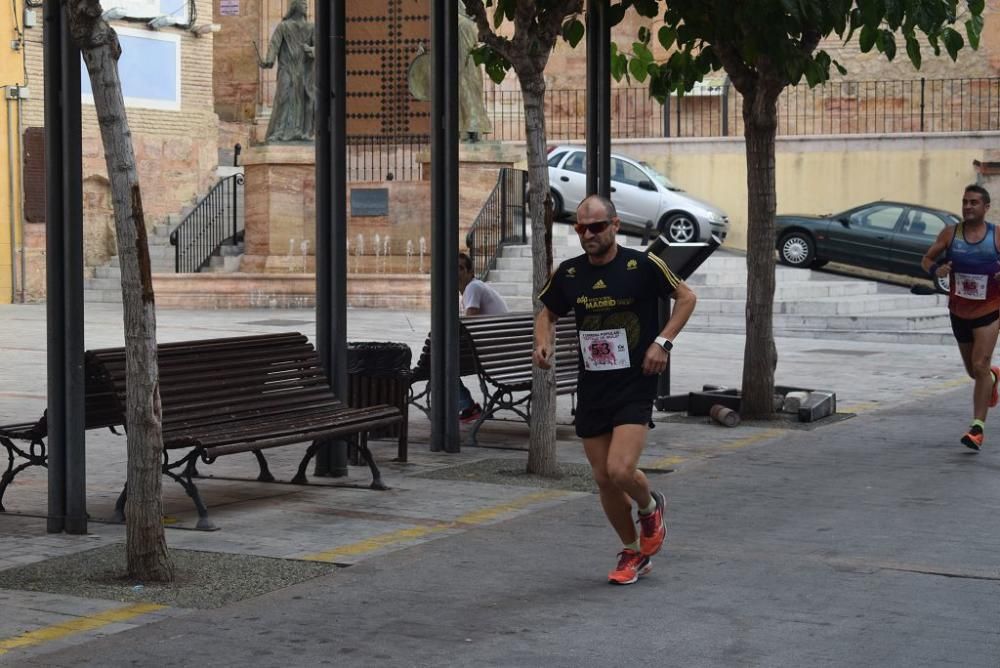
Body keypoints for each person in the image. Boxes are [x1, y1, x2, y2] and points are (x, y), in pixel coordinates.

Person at [533, 195, 697, 585]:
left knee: (620, 469)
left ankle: (650, 505)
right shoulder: (570, 274)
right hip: (593, 386)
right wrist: (543, 342)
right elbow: (548, 313)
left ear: (616, 225)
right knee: (604, 480)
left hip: (635, 382)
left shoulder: (643, 265)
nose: (588, 235)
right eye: (581, 228)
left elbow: (686, 298)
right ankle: (633, 551)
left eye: (597, 227)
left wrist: (663, 342)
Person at [922, 184, 1000, 450]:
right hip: (959, 311)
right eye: (965, 201)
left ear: (985, 207)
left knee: (980, 365)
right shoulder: (950, 234)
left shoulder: (997, 236)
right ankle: (993, 378)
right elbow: (926, 259)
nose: (967, 206)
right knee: (973, 371)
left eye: (974, 202)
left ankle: (977, 428)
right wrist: (937, 269)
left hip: (989, 311)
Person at [457, 252, 509, 422]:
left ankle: (467, 406)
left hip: (489, 355)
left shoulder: (472, 288)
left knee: (441, 366)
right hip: (500, 353)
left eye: (460, 268)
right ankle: (465, 405)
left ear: (470, 272)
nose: (455, 272)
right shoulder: (475, 287)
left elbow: (469, 325)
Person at [257, 0, 315, 143]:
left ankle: (303, 132)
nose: (305, 6)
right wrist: (268, 61)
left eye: (306, 5)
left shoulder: (311, 27)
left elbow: (319, 47)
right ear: (295, 6)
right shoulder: (283, 27)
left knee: (304, 99)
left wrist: (311, 50)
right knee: (283, 97)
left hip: (304, 70)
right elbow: (274, 45)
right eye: (302, 4)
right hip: (286, 68)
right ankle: (278, 131)